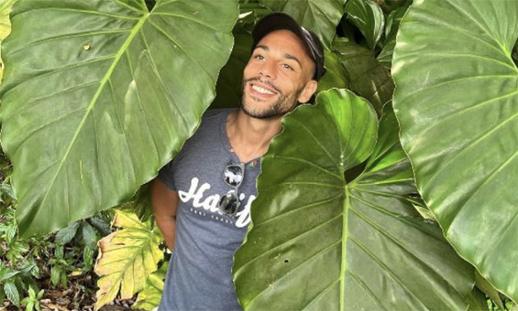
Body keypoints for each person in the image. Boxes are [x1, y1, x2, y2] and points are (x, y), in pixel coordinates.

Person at [152, 12, 326, 311]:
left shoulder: (306, 169)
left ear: (307, 90)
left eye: (287, 65)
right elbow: (165, 211)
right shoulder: (191, 132)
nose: (266, 72)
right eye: (259, 56)